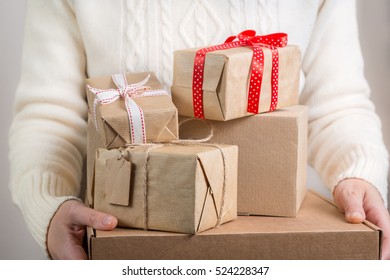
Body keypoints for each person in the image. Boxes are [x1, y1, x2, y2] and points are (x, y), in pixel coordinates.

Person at [9, 0, 389, 260]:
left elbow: (337, 104)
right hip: (122, 237)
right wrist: (50, 204)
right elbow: (50, 111)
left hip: (272, 245)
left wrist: (359, 173)